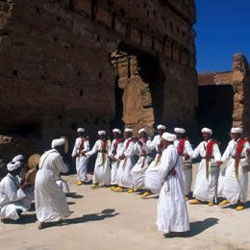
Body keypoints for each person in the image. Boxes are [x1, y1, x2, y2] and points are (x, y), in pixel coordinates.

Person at [157, 132, 189, 235]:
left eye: (162, 140)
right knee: (177, 202)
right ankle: (179, 227)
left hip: (169, 181)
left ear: (166, 141)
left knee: (167, 203)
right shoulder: (176, 150)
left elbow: (164, 168)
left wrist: (160, 179)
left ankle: (169, 227)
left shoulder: (167, 152)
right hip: (176, 180)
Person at [35, 138, 70, 229]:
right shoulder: (56, 155)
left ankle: (43, 220)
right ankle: (58, 218)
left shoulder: (44, 154)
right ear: (59, 147)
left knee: (43, 199)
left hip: (38, 177)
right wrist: (67, 165)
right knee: (59, 197)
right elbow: (63, 169)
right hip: (47, 178)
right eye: (62, 147)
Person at [218, 127, 250, 211]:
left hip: (241, 163)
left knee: (240, 182)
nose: (232, 135)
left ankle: (241, 202)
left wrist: (247, 154)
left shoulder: (245, 142)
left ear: (239, 134)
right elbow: (226, 152)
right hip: (232, 163)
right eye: (231, 134)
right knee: (228, 179)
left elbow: (247, 152)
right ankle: (228, 198)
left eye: (234, 134)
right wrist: (221, 161)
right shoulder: (231, 142)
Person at [189, 128, 221, 206]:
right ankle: (199, 198)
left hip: (211, 162)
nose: (204, 135)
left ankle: (210, 199)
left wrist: (218, 160)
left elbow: (217, 153)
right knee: (200, 180)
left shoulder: (214, 144)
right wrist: (188, 155)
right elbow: (194, 153)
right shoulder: (201, 144)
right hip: (203, 163)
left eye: (206, 133)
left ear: (210, 134)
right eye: (203, 134)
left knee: (211, 181)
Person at [142, 124, 166, 198]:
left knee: (163, 173)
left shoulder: (167, 137)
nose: (160, 131)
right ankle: (150, 189)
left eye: (162, 130)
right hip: (158, 157)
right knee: (149, 171)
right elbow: (150, 147)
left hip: (165, 156)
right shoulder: (156, 138)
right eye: (159, 130)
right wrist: (142, 144)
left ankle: (163, 190)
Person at [174, 128, 194, 200]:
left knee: (186, 178)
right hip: (177, 161)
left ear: (181, 134)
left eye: (178, 134)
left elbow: (191, 152)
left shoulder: (186, 142)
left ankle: (186, 193)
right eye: (176, 133)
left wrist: (188, 155)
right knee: (178, 177)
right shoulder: (174, 142)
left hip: (184, 161)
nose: (176, 135)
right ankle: (179, 192)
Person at [129, 128, 152, 193]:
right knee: (133, 171)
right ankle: (139, 187)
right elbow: (133, 150)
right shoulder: (137, 142)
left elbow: (149, 149)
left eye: (143, 133)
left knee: (146, 174)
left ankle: (148, 189)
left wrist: (142, 144)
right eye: (141, 134)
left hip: (147, 159)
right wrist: (125, 155)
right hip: (141, 159)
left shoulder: (148, 141)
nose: (142, 135)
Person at [114, 128, 136, 192]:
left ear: (130, 134)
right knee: (120, 171)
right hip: (124, 158)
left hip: (129, 158)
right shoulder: (126, 141)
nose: (125, 134)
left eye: (127, 133)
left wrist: (124, 155)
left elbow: (130, 150)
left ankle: (132, 187)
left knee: (128, 172)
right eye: (125, 133)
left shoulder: (132, 141)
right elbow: (122, 149)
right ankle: (121, 186)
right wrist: (119, 156)